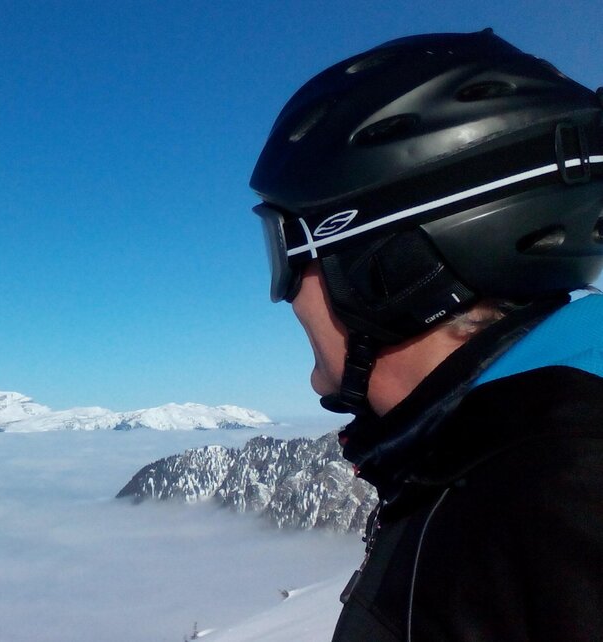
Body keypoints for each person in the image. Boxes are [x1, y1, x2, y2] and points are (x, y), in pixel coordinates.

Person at [249, 30, 603, 640]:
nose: (281, 294)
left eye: (284, 252)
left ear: (386, 271)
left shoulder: (548, 509)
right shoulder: (499, 457)